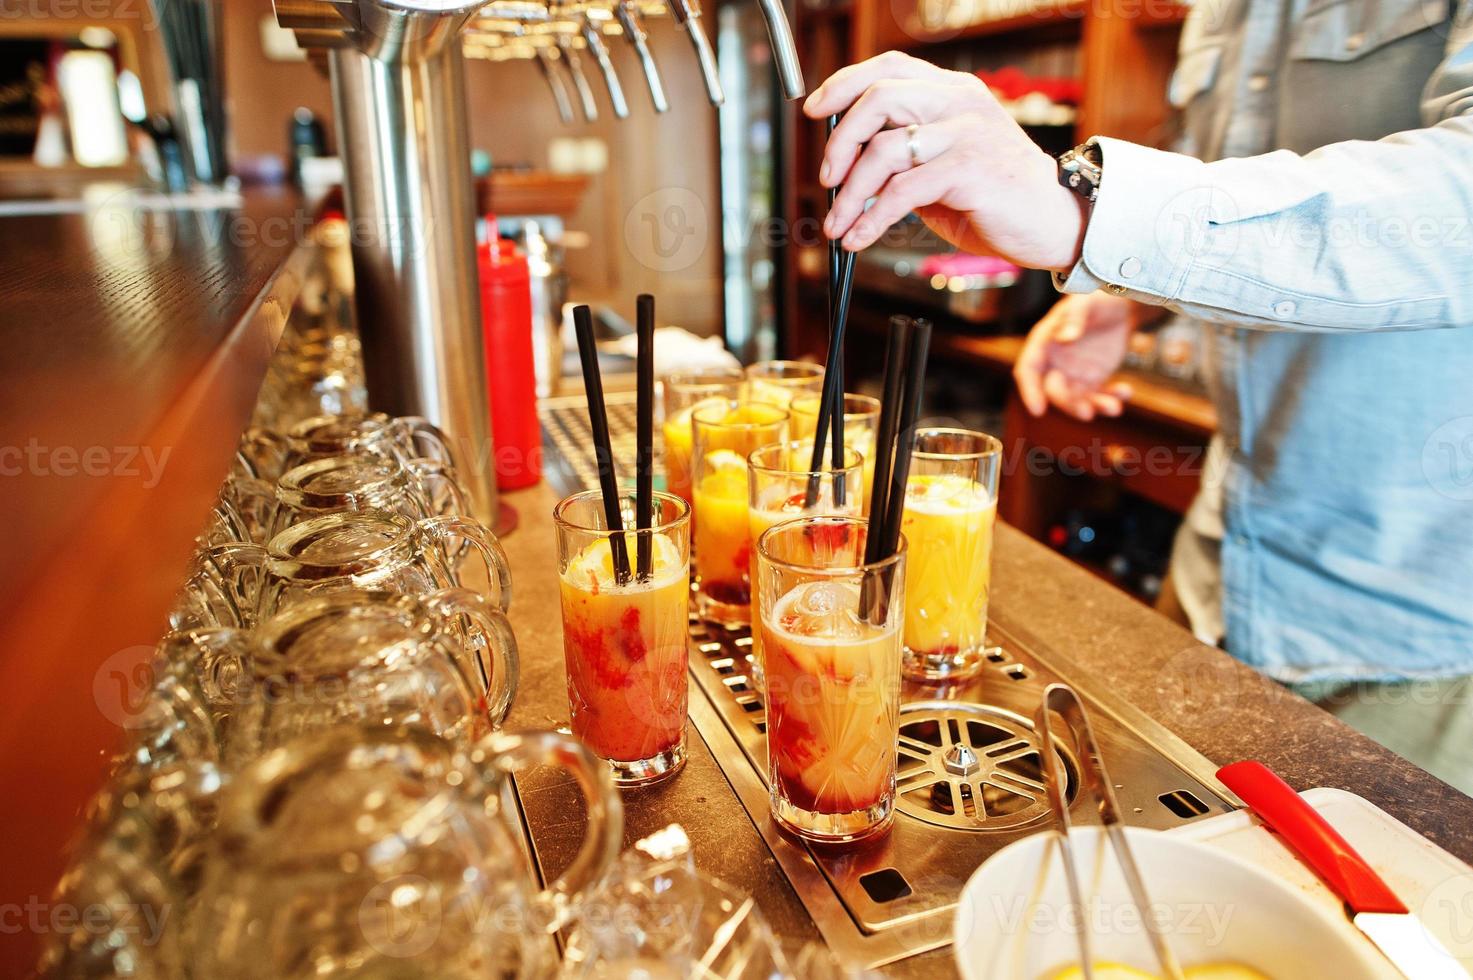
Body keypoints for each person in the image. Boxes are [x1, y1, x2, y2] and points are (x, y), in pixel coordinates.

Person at [803, 6, 1473, 793]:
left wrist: (1083, 209)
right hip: (1220, 569)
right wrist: (1129, 296)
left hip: (1412, 621)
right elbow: (1223, 173)